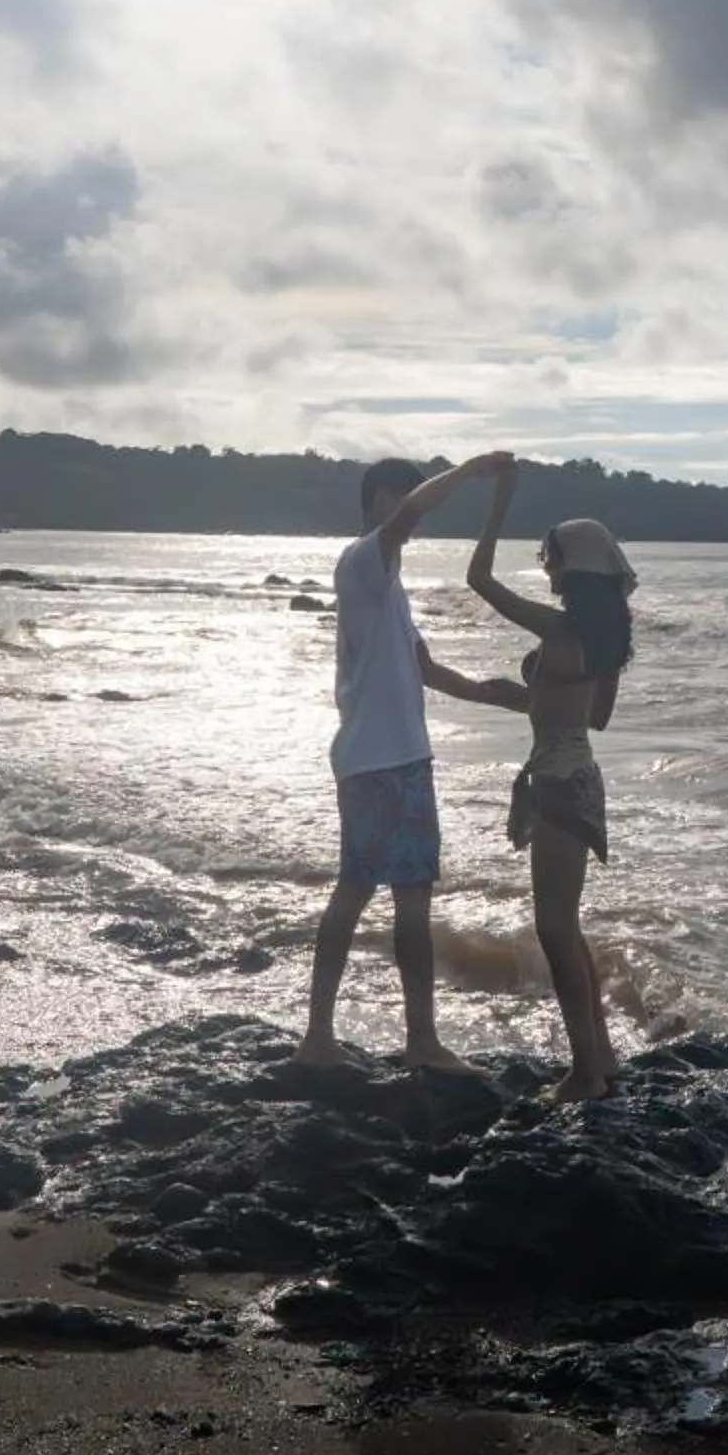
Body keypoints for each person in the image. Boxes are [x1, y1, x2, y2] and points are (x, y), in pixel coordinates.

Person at [295, 446, 514, 1072]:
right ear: (379, 500)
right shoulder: (363, 559)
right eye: (403, 499)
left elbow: (425, 669)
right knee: (356, 891)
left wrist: (496, 696)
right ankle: (318, 1038)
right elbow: (411, 514)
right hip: (374, 760)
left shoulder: (389, 586)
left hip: (406, 758)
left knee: (411, 899)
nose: (415, 520)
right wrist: (469, 471)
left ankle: (420, 1040)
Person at [451, 470, 637, 1102]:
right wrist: (535, 696)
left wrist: (499, 503)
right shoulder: (605, 639)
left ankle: (585, 1074)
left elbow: (479, 580)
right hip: (583, 776)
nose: (546, 569)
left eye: (550, 558)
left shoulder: (559, 630)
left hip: (556, 780)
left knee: (554, 928)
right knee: (566, 924)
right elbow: (596, 718)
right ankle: (601, 1056)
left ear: (571, 568)